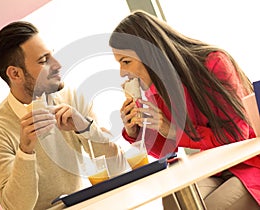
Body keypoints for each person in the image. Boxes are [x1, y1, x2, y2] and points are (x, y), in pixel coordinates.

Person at [109, 10, 260, 209]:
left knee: (212, 206)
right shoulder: (157, 89)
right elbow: (167, 149)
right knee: (175, 200)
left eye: (126, 62)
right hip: (212, 169)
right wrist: (135, 132)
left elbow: (236, 137)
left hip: (250, 164)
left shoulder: (214, 63)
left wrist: (173, 130)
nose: (122, 73)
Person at [0, 21, 128, 210]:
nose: (57, 64)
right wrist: (25, 151)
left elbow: (119, 169)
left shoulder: (71, 98)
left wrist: (86, 129)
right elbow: (17, 207)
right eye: (43, 60)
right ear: (15, 74)